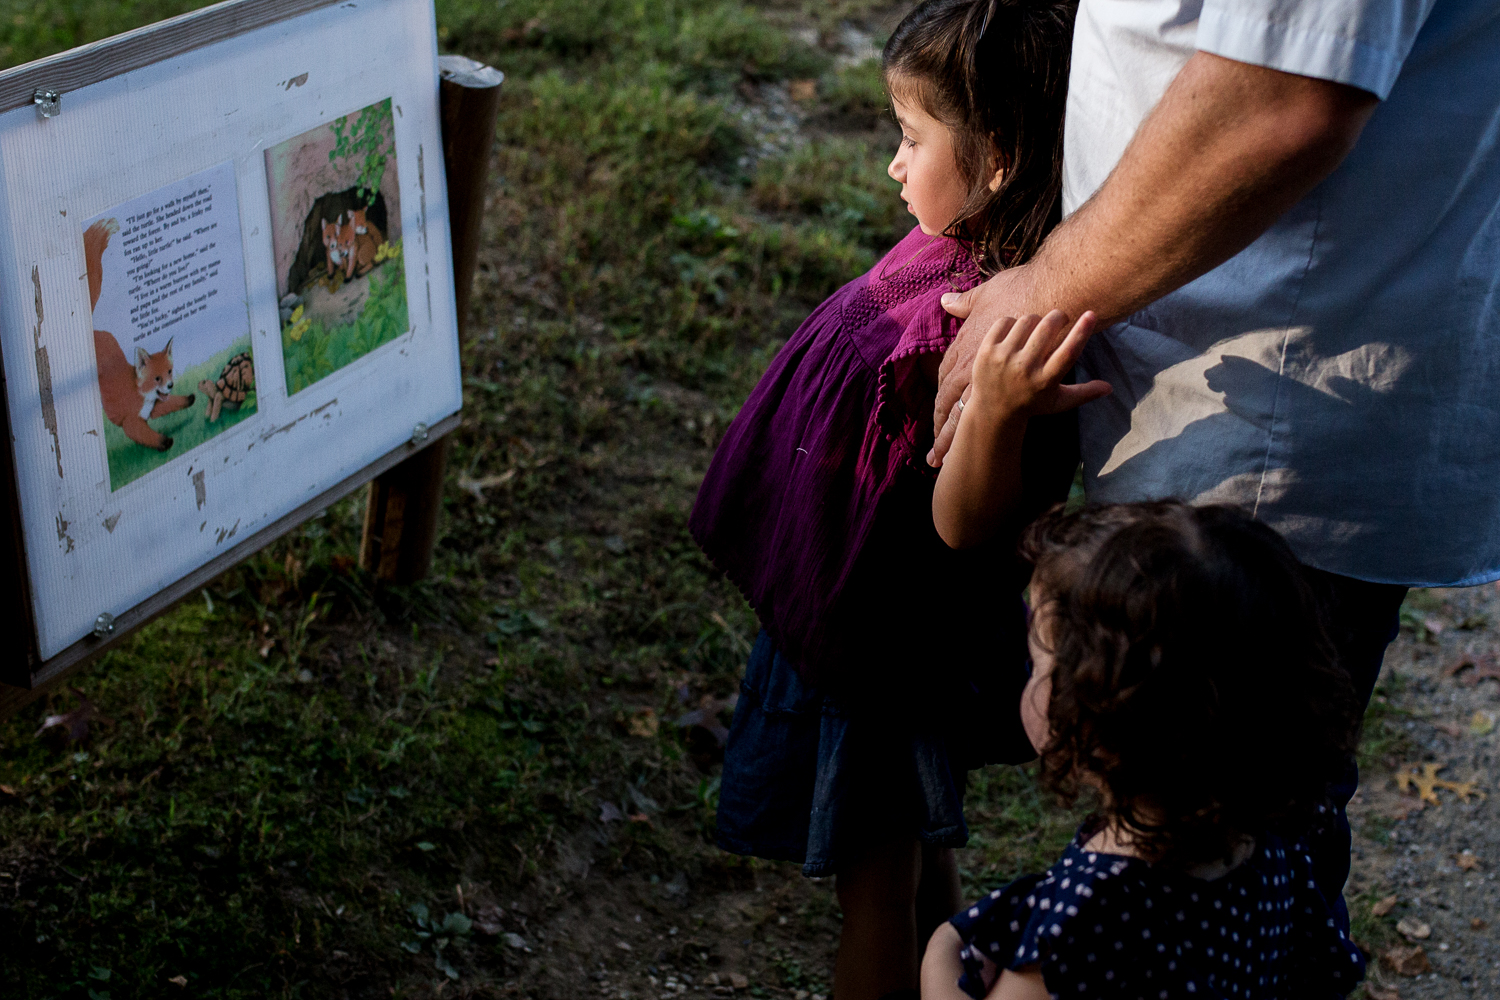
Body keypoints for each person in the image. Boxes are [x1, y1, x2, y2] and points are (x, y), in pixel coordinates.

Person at [925, 0, 1500, 931]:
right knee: (1242, 868)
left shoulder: (1072, 934)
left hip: (1271, 441)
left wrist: (1045, 288)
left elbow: (1289, 95)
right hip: (1221, 403)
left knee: (1218, 881)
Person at [688, 2, 1107, 996]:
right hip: (860, 622)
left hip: (880, 649)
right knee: (917, 839)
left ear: (997, 159)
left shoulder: (990, 335)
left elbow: (970, 526)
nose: (892, 163)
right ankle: (947, 964)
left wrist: (1000, 406)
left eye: (911, 138)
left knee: (874, 892)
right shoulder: (978, 256)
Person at [920, 501, 1367, 1000]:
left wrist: (939, 962)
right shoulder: (1266, 846)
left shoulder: (1089, 915)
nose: (1030, 678)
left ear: (1100, 714)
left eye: (1040, 661)